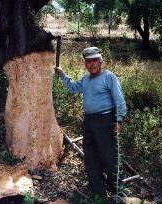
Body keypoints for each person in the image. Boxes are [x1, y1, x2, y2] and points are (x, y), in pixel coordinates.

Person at [55, 47, 127, 200]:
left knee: (108, 156)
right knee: (91, 157)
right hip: (89, 122)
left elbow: (119, 100)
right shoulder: (86, 79)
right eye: (88, 61)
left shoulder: (109, 77)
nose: (92, 64)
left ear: (100, 61)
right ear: (85, 64)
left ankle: (117, 191)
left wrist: (119, 120)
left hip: (105, 121)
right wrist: (62, 74)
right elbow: (73, 88)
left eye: (95, 60)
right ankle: (98, 192)